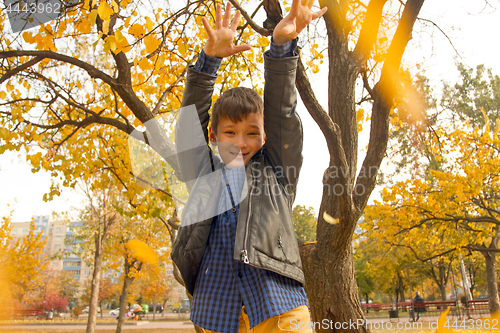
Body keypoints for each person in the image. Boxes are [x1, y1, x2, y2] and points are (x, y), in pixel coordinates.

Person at [171, 1, 327, 332]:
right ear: (213, 135)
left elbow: (282, 113)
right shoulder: (205, 175)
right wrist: (208, 63)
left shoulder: (276, 169)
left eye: (252, 133)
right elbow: (187, 134)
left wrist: (282, 48)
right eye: (231, 132)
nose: (241, 143)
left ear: (266, 136)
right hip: (217, 310)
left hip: (278, 306)